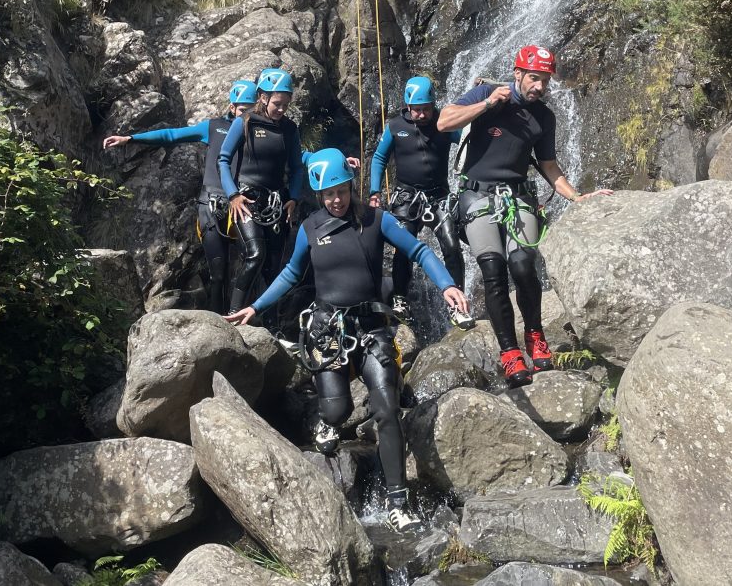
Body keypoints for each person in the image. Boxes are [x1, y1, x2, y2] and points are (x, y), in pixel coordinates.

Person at [226, 148, 470, 532]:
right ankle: (329, 423)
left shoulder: (376, 220)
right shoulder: (310, 228)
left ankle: (397, 504)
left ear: (350, 186)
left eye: (341, 191)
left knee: (387, 409)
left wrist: (448, 286)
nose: (336, 200)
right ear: (319, 195)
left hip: (372, 329)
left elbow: (419, 250)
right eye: (328, 195)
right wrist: (254, 308)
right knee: (338, 411)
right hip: (328, 333)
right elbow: (291, 274)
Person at [436, 45, 612, 387]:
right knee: (492, 268)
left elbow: (548, 165)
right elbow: (444, 121)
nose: (540, 87)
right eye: (534, 78)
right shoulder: (487, 93)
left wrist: (577, 197)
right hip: (477, 196)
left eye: (544, 81)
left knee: (522, 265)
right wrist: (487, 104)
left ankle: (535, 335)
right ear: (518, 74)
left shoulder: (544, 117)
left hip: (518, 197)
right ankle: (509, 353)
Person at [103, 80, 258, 313]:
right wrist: (131, 138)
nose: (244, 113)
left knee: (246, 266)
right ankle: (219, 325)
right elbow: (173, 135)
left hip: (242, 202)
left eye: (249, 108)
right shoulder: (214, 127)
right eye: (241, 108)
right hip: (212, 203)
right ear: (232, 106)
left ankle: (242, 317)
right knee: (218, 272)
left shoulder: (259, 132)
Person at [369, 75, 473, 329]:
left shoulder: (445, 124)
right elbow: (379, 158)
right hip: (407, 197)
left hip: (439, 197)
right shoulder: (394, 126)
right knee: (403, 248)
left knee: (451, 247)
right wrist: (374, 192)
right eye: (417, 110)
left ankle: (456, 303)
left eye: (426, 109)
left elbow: (470, 146)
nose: (422, 114)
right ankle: (400, 298)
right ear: (407, 106)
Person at [218, 69, 304, 316]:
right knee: (256, 255)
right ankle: (234, 314)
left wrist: (294, 199)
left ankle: (270, 323)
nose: (282, 109)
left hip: (276, 203)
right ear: (263, 98)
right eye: (278, 103)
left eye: (286, 105)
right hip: (246, 200)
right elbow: (223, 160)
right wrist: (233, 195)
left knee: (273, 267)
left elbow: (297, 167)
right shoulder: (244, 121)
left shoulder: (289, 129)